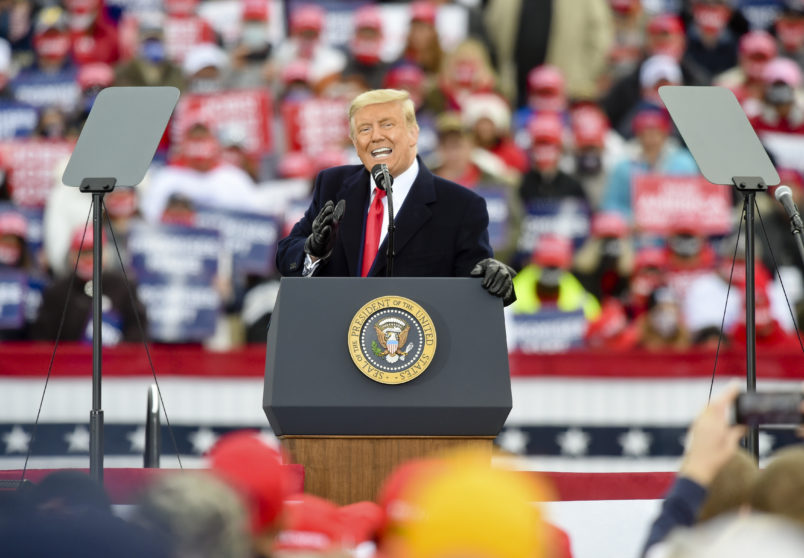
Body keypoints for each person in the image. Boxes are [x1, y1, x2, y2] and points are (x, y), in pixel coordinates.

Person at [276, 89, 515, 305]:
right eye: (364, 129)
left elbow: (474, 288)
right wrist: (312, 251)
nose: (376, 136)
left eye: (387, 125)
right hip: (335, 337)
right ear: (355, 143)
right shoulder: (333, 185)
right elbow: (287, 257)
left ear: (413, 133)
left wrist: (493, 279)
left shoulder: (462, 206)